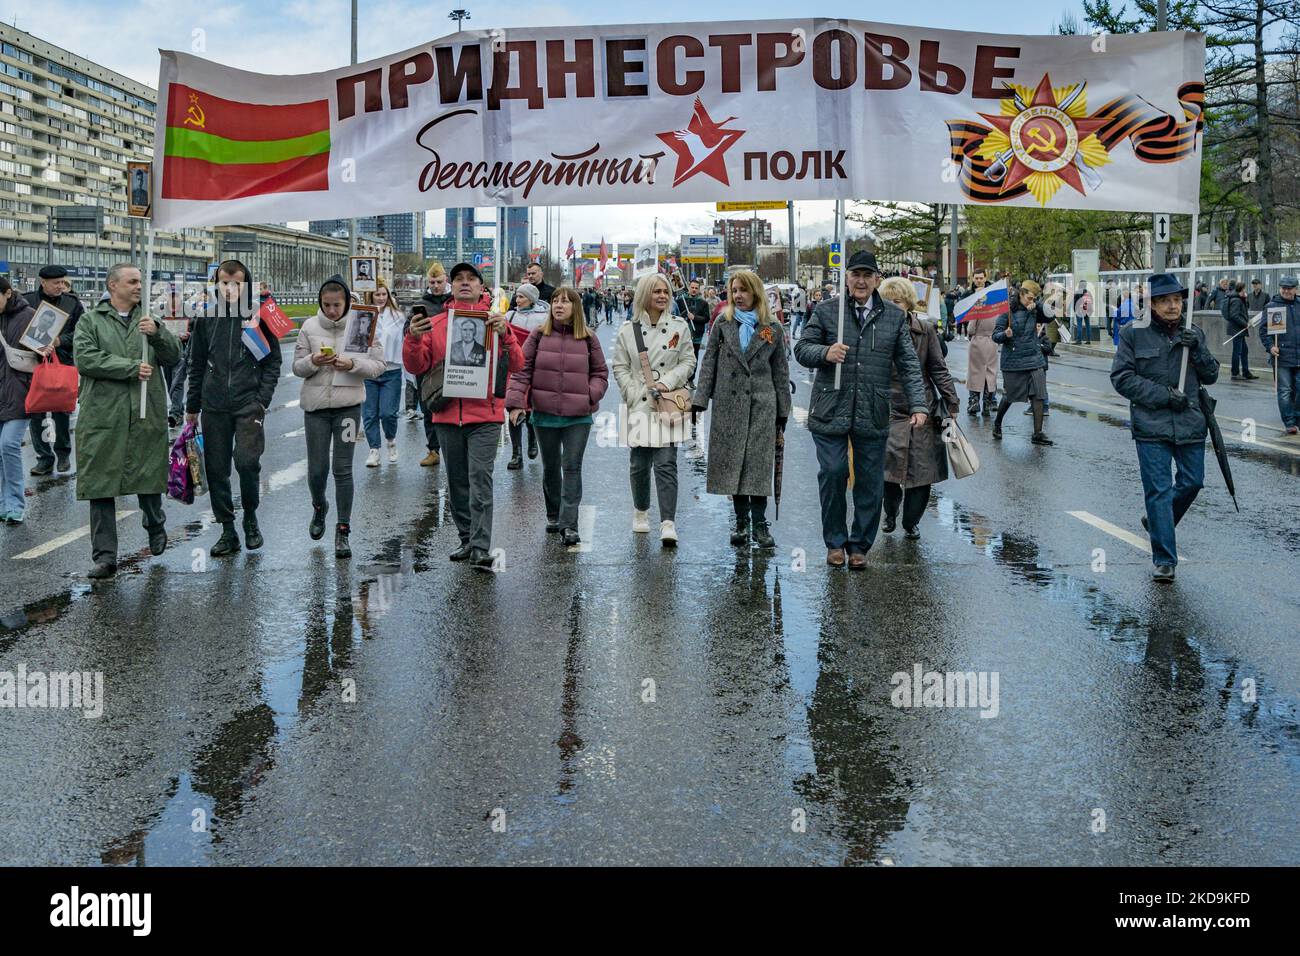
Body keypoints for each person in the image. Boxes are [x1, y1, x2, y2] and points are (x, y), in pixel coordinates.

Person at [794, 250, 927, 569]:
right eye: (856, 274)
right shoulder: (828, 312)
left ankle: (860, 546)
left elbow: (908, 364)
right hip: (831, 407)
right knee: (834, 472)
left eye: (868, 275)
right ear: (847, 277)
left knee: (869, 481)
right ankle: (835, 542)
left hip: (872, 408)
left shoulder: (893, 317)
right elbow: (801, 348)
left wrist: (918, 404)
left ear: (877, 280)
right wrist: (825, 352)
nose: (861, 280)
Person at [404, 261, 525, 569]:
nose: (465, 283)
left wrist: (506, 334)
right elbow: (416, 366)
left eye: (472, 278)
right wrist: (413, 339)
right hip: (447, 414)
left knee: (480, 480)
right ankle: (466, 539)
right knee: (457, 482)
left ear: (481, 288)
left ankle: (482, 546)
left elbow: (518, 364)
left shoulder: (494, 323)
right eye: (459, 279)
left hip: (485, 415)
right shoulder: (438, 324)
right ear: (451, 286)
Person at [73, 264, 182, 578]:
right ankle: (105, 557)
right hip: (104, 415)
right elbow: (86, 359)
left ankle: (155, 524)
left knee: (147, 475)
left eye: (140, 281)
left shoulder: (149, 321)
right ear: (113, 285)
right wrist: (130, 367)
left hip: (144, 410)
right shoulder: (90, 321)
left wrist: (159, 334)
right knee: (100, 485)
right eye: (132, 281)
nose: (138, 286)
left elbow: (175, 357)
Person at [1111, 273, 1219, 582]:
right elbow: (1122, 378)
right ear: (1153, 304)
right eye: (1166, 301)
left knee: (1192, 482)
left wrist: (1198, 348)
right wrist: (1163, 396)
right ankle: (1164, 559)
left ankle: (1156, 520)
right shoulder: (1133, 333)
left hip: (1190, 422)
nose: (1173, 306)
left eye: (1177, 300)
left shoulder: (1193, 331)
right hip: (1151, 424)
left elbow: (1211, 376)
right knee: (1157, 491)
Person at [184, 259, 282, 557]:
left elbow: (273, 362)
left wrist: (261, 399)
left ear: (246, 284)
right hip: (214, 405)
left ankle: (250, 519)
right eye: (224, 283)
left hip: (247, 404)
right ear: (216, 284)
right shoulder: (206, 317)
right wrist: (192, 406)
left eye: (236, 283)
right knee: (216, 469)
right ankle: (228, 529)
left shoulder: (259, 317)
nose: (230, 289)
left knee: (246, 462)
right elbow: (196, 363)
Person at [692, 269, 791, 550]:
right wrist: (700, 399)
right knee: (733, 465)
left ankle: (760, 524)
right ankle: (740, 522)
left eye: (743, 290)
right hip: (729, 405)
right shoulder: (723, 325)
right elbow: (709, 363)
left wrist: (783, 410)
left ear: (755, 293)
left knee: (757, 468)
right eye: (734, 290)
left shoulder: (772, 328)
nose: (737, 295)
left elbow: (780, 373)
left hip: (762, 406)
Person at [506, 287, 608, 546]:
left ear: (576, 307)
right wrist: (516, 403)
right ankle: (553, 514)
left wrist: (590, 395)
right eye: (555, 301)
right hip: (545, 414)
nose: (559, 305)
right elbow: (521, 369)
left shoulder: (588, 338)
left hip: (578, 416)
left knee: (572, 467)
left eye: (565, 301)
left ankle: (570, 525)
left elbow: (600, 373)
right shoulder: (539, 335)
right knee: (551, 467)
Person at [293, 275, 385, 559]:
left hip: (348, 407)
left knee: (342, 469)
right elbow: (297, 367)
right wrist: (313, 362)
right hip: (316, 409)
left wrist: (353, 363)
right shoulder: (309, 327)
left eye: (337, 305)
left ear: (347, 302)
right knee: (318, 469)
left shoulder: (363, 324)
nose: (332, 310)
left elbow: (379, 366)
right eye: (327, 305)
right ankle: (319, 506)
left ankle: (343, 530)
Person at [610, 272, 696, 546]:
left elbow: (688, 362)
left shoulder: (679, 327)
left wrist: (668, 383)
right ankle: (640, 512)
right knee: (638, 464)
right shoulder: (628, 329)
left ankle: (668, 522)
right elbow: (620, 366)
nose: (662, 296)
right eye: (656, 291)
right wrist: (632, 392)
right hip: (639, 404)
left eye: (666, 291)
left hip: (669, 403)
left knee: (667, 463)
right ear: (645, 295)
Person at [877, 277, 959, 540]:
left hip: (921, 409)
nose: (892, 305)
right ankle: (890, 512)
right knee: (887, 473)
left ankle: (911, 521)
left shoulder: (925, 330)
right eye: (887, 300)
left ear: (909, 303)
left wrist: (952, 403)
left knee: (922, 473)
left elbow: (938, 368)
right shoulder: (875, 330)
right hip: (887, 409)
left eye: (897, 301)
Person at [24, 265, 82, 475]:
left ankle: (63, 454)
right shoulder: (28, 301)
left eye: (62, 282)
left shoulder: (72, 302)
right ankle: (44, 458)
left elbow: (81, 332)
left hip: (62, 363)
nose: (60, 286)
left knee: (62, 410)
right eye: (56, 283)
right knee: (36, 411)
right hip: (33, 364)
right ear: (43, 282)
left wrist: (60, 340)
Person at [1, 277, 45, 524]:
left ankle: (15, 505)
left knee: (8, 445)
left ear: (7, 293)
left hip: (20, 390)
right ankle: (3, 504)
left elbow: (43, 352)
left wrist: (46, 348)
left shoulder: (29, 315)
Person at [990, 280, 1052, 445]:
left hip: (1034, 357)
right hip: (1013, 360)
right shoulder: (1007, 311)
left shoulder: (1034, 309)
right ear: (1021, 294)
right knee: (1010, 396)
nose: (1030, 301)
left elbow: (1050, 316)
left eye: (1034, 298)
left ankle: (1037, 433)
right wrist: (1005, 334)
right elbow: (995, 336)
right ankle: (997, 423)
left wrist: (1037, 305)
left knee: (1039, 394)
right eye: (1029, 298)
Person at [362, 279, 407, 467]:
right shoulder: (363, 316)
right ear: (370, 295)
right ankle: (374, 450)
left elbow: (405, 341)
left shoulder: (398, 316)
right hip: (369, 371)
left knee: (388, 413)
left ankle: (391, 440)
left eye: (383, 294)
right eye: (377, 294)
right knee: (370, 413)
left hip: (391, 371)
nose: (380, 298)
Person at [504, 282, 548, 469]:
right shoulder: (510, 315)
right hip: (513, 368)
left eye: (521, 296)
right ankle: (516, 454)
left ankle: (532, 439)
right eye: (517, 296)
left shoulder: (545, 317)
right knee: (513, 406)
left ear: (530, 298)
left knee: (531, 407)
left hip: (535, 368)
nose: (517, 299)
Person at [411, 263, 451, 467]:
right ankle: (433, 449)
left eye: (439, 282)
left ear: (446, 281)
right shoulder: (421, 305)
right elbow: (409, 333)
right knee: (428, 406)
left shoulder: (454, 303)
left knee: (450, 406)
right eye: (432, 282)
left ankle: (452, 448)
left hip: (450, 361)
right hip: (428, 363)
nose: (436, 286)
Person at [1261, 275, 1300, 434]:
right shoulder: (1272, 306)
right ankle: (1289, 422)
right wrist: (1270, 347)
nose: (1286, 291)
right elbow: (1264, 331)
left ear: (1295, 289)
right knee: (1284, 390)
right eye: (1283, 288)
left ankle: (1297, 417)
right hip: (1282, 356)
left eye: (1289, 288)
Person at [965, 272, 999, 416]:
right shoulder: (996, 302)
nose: (979, 280)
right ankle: (987, 402)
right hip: (992, 341)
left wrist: (969, 333)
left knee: (976, 372)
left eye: (981, 277)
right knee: (990, 373)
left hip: (978, 341)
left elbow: (971, 327)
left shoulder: (978, 303)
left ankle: (974, 402)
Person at [1222, 280, 1255, 381]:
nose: (1246, 291)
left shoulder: (1238, 298)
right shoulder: (1236, 300)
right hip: (1236, 329)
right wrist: (1245, 324)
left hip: (1239, 329)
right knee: (1237, 352)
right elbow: (1234, 315)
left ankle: (1246, 372)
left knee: (1244, 351)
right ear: (1241, 289)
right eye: (1244, 289)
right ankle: (1235, 373)